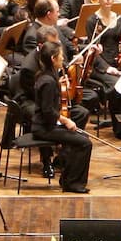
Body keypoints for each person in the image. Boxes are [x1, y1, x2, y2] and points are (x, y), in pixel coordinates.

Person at [32, 42, 91, 193]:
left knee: (81, 137)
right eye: (60, 55)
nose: (63, 58)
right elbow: (47, 112)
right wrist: (66, 120)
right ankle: (72, 183)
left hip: (46, 125)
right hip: (44, 128)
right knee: (84, 143)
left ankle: (67, 179)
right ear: (53, 58)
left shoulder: (47, 76)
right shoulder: (49, 81)